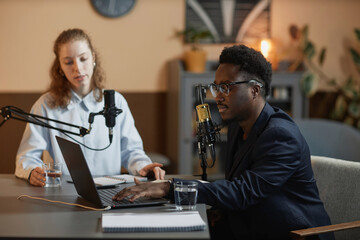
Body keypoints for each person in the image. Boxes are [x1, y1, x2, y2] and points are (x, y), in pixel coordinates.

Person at [113, 45, 334, 240]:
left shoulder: (280, 136)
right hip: (252, 225)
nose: (217, 95)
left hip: (294, 234)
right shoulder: (239, 126)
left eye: (226, 87)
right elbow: (237, 190)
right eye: (216, 87)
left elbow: (242, 193)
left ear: (255, 90)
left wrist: (168, 187)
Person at [15, 28, 165, 187]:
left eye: (83, 58)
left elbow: (132, 151)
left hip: (111, 192)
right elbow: (26, 157)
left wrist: (143, 167)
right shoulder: (45, 105)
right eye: (68, 62)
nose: (77, 68)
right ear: (59, 66)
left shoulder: (116, 102)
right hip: (64, 193)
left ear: (93, 58)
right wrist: (33, 171)